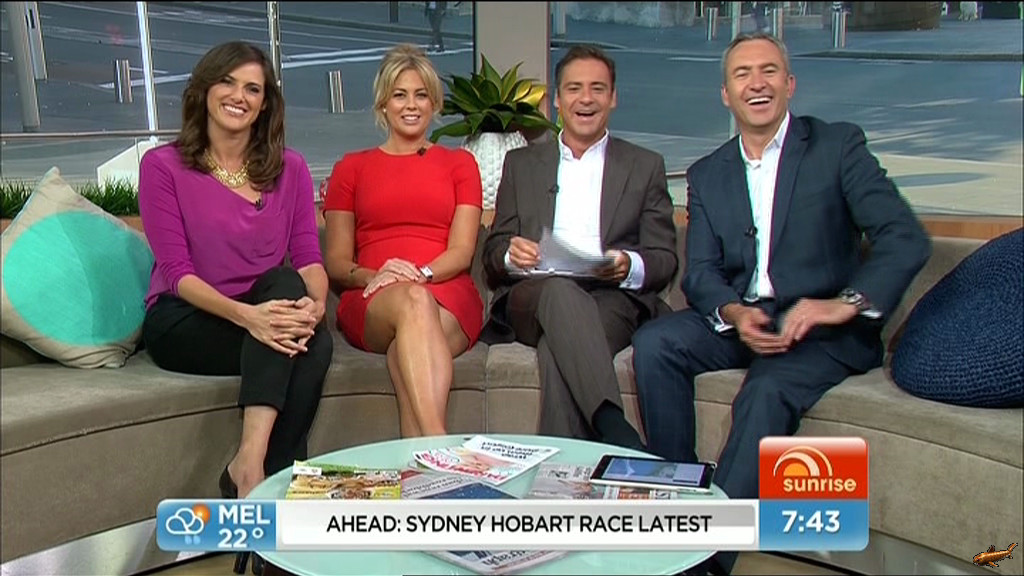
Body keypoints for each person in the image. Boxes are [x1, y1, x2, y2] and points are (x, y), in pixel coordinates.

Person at [631, 32, 930, 575]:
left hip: (824, 330)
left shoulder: (837, 146)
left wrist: (844, 303)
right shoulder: (708, 172)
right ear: (726, 94)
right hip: (750, 319)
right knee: (656, 343)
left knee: (766, 389)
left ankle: (704, 560)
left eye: (768, 71)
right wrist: (734, 312)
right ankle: (678, 506)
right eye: (742, 74)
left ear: (789, 85)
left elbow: (904, 236)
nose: (757, 83)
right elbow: (701, 274)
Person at [139, 40, 331, 575]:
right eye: (228, 82)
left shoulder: (290, 169)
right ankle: (268, 484)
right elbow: (177, 273)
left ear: (265, 103)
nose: (239, 96)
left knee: (300, 311)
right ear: (204, 90)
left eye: (253, 88)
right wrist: (251, 317)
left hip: (265, 309)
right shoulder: (163, 166)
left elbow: (309, 258)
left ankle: (251, 472)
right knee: (298, 338)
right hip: (185, 317)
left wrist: (315, 307)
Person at [480, 44, 678, 450]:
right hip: (533, 295)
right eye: (574, 89)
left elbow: (664, 258)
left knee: (560, 350)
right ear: (557, 99)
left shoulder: (645, 166)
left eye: (597, 88)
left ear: (613, 97)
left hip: (610, 299)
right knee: (559, 291)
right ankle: (615, 428)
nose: (585, 99)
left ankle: (562, 473)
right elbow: (494, 248)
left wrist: (628, 264)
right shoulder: (522, 164)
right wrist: (511, 254)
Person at [323, 44, 483, 438]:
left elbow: (462, 252)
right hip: (374, 296)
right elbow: (337, 262)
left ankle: (421, 462)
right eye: (400, 95)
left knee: (406, 345)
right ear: (383, 103)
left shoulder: (460, 164)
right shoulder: (352, 168)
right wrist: (378, 275)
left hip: (448, 291)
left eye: (421, 95)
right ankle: (440, 445)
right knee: (413, 301)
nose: (411, 105)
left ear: (434, 103)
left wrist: (420, 274)